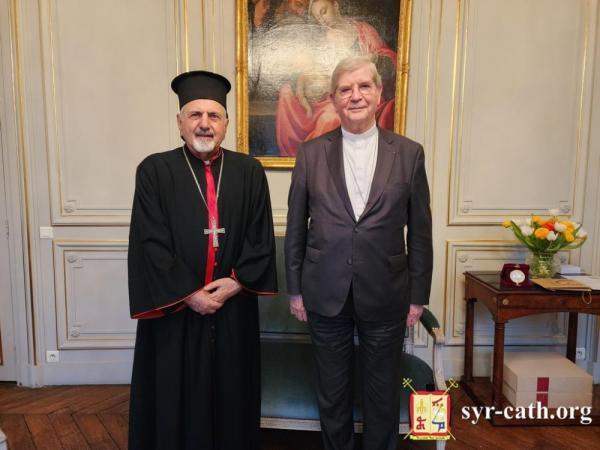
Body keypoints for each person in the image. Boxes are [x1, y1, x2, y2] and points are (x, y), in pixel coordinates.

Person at [284, 56, 433, 450]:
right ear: (334, 99)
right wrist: (295, 290)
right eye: (345, 89)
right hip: (324, 290)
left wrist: (418, 297)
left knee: (382, 393)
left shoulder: (410, 153)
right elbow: (296, 227)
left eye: (364, 86)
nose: (355, 96)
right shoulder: (311, 153)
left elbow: (421, 232)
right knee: (332, 393)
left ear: (379, 93)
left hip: (387, 291)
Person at [127, 70, 277, 450]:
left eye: (214, 115)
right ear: (180, 122)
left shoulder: (249, 171)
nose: (205, 124)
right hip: (175, 312)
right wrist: (189, 294)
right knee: (174, 395)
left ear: (226, 123)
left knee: (232, 394)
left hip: (232, 308)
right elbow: (150, 242)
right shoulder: (154, 171)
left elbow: (260, 237)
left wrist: (236, 282)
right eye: (195, 114)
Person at [276, 0, 397, 156]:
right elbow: (313, 70)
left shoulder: (363, 31)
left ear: (336, 6)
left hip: (358, 94)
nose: (322, 19)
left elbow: (386, 57)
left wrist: (374, 60)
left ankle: (327, 159)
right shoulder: (322, 40)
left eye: (324, 11)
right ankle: (300, 157)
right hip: (330, 94)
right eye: (318, 17)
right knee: (286, 92)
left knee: (330, 118)